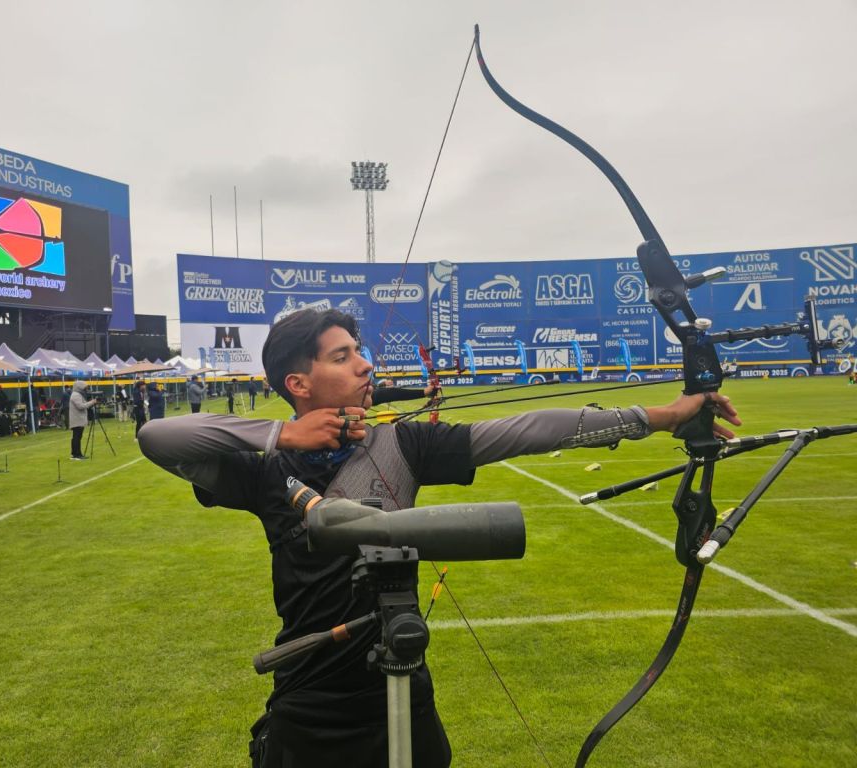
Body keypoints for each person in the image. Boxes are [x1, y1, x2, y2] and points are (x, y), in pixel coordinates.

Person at [137, 308, 742, 768]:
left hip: (398, 680)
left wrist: (660, 417)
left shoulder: (403, 445)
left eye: (360, 351)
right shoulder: (262, 468)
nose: (364, 364)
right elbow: (159, 437)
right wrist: (283, 437)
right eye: (343, 356)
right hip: (310, 698)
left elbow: (527, 429)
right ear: (299, 382)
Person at [68, 380, 96, 460]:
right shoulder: (76, 395)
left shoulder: (77, 394)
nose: (85, 389)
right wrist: (92, 402)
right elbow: (81, 406)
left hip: (78, 419)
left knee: (77, 437)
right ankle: (77, 454)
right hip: (77, 419)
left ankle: (75, 454)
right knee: (77, 437)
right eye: (84, 388)